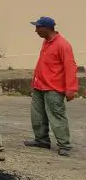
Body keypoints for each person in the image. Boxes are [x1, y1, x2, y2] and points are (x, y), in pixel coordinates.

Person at [25, 17, 78, 157]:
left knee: (56, 117)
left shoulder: (63, 45)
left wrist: (71, 89)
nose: (36, 30)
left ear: (47, 28)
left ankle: (64, 145)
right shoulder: (46, 42)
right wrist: (35, 81)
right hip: (39, 86)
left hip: (54, 88)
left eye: (38, 27)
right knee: (37, 116)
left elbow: (70, 67)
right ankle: (41, 140)